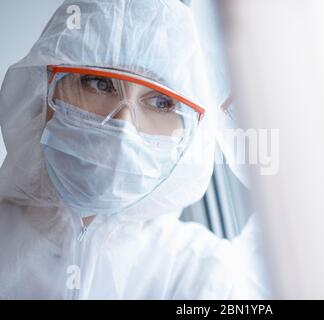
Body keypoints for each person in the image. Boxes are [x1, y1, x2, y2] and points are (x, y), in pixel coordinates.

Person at [0, 0, 269, 299]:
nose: (123, 126)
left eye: (161, 103)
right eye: (99, 84)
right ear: (43, 90)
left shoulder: (201, 275)